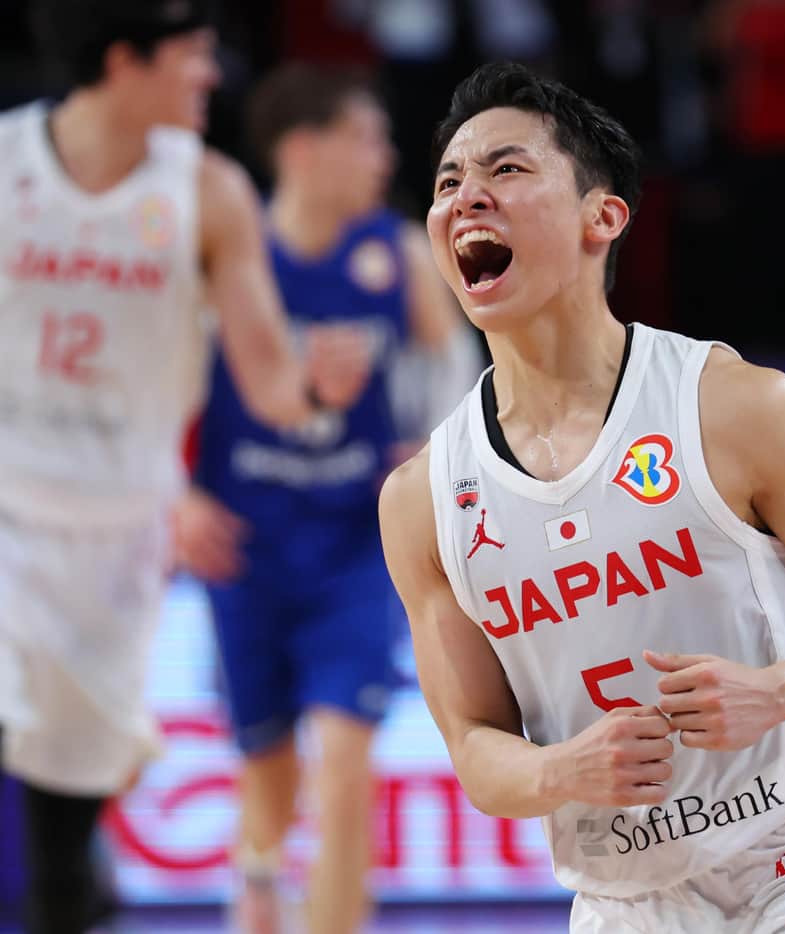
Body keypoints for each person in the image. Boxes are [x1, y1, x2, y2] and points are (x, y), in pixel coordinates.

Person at [379, 62, 785, 932]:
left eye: (507, 169)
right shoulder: (423, 497)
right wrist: (561, 771)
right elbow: (477, 748)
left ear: (602, 218)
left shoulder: (735, 406)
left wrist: (780, 692)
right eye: (448, 182)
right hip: (624, 900)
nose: (467, 197)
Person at [0, 4, 371, 933]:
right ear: (125, 59)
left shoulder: (209, 191)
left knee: (62, 831)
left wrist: (315, 390)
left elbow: (267, 377)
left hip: (116, 532)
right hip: (7, 501)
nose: (212, 75)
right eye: (193, 56)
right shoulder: (6, 163)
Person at [172, 63, 468, 934]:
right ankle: (258, 869)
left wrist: (436, 447)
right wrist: (176, 496)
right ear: (302, 149)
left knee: (345, 763)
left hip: (354, 546)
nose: (384, 157)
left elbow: (456, 369)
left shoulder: (399, 251)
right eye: (364, 138)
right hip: (246, 543)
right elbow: (164, 384)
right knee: (267, 765)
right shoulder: (229, 253)